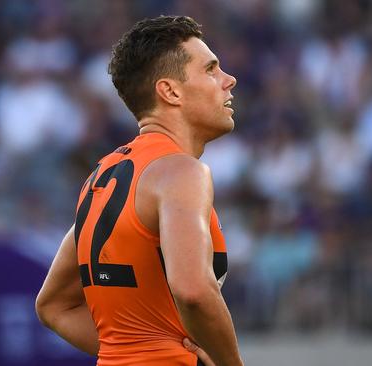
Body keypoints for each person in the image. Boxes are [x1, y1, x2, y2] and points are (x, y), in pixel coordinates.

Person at [35, 15, 242, 366]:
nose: (228, 80)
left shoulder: (101, 178)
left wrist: (132, 352)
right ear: (170, 91)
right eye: (210, 69)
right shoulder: (181, 172)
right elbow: (193, 291)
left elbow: (54, 305)